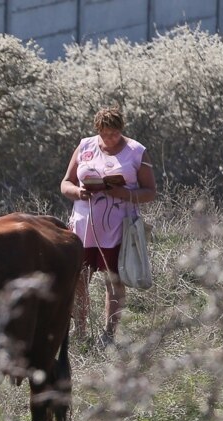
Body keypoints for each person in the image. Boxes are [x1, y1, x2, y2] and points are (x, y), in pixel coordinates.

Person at [60, 106, 157, 348]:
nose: (108, 139)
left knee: (114, 279)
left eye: (113, 134)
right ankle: (80, 331)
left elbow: (150, 192)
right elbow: (66, 182)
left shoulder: (137, 152)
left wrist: (124, 193)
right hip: (84, 225)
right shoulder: (85, 146)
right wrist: (78, 192)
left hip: (118, 226)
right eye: (104, 134)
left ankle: (108, 334)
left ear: (121, 130)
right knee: (78, 278)